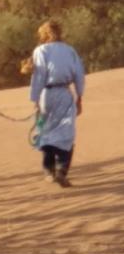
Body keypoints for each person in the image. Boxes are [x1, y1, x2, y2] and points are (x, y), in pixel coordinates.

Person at [28, 20, 85, 188]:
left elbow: (39, 76)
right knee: (66, 133)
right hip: (64, 94)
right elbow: (79, 75)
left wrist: (35, 99)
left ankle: (49, 170)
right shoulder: (70, 51)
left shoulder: (41, 50)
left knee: (46, 131)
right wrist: (80, 96)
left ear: (44, 34)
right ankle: (61, 170)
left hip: (46, 94)